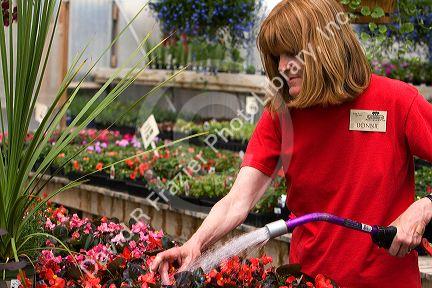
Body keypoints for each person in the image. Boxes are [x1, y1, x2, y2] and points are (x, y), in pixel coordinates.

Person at [151, 0, 432, 286]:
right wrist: (195, 243)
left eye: (294, 53)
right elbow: (237, 201)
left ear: (328, 48)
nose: (284, 66)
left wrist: (424, 207)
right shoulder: (281, 115)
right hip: (309, 280)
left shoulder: (396, 102)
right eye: (278, 56)